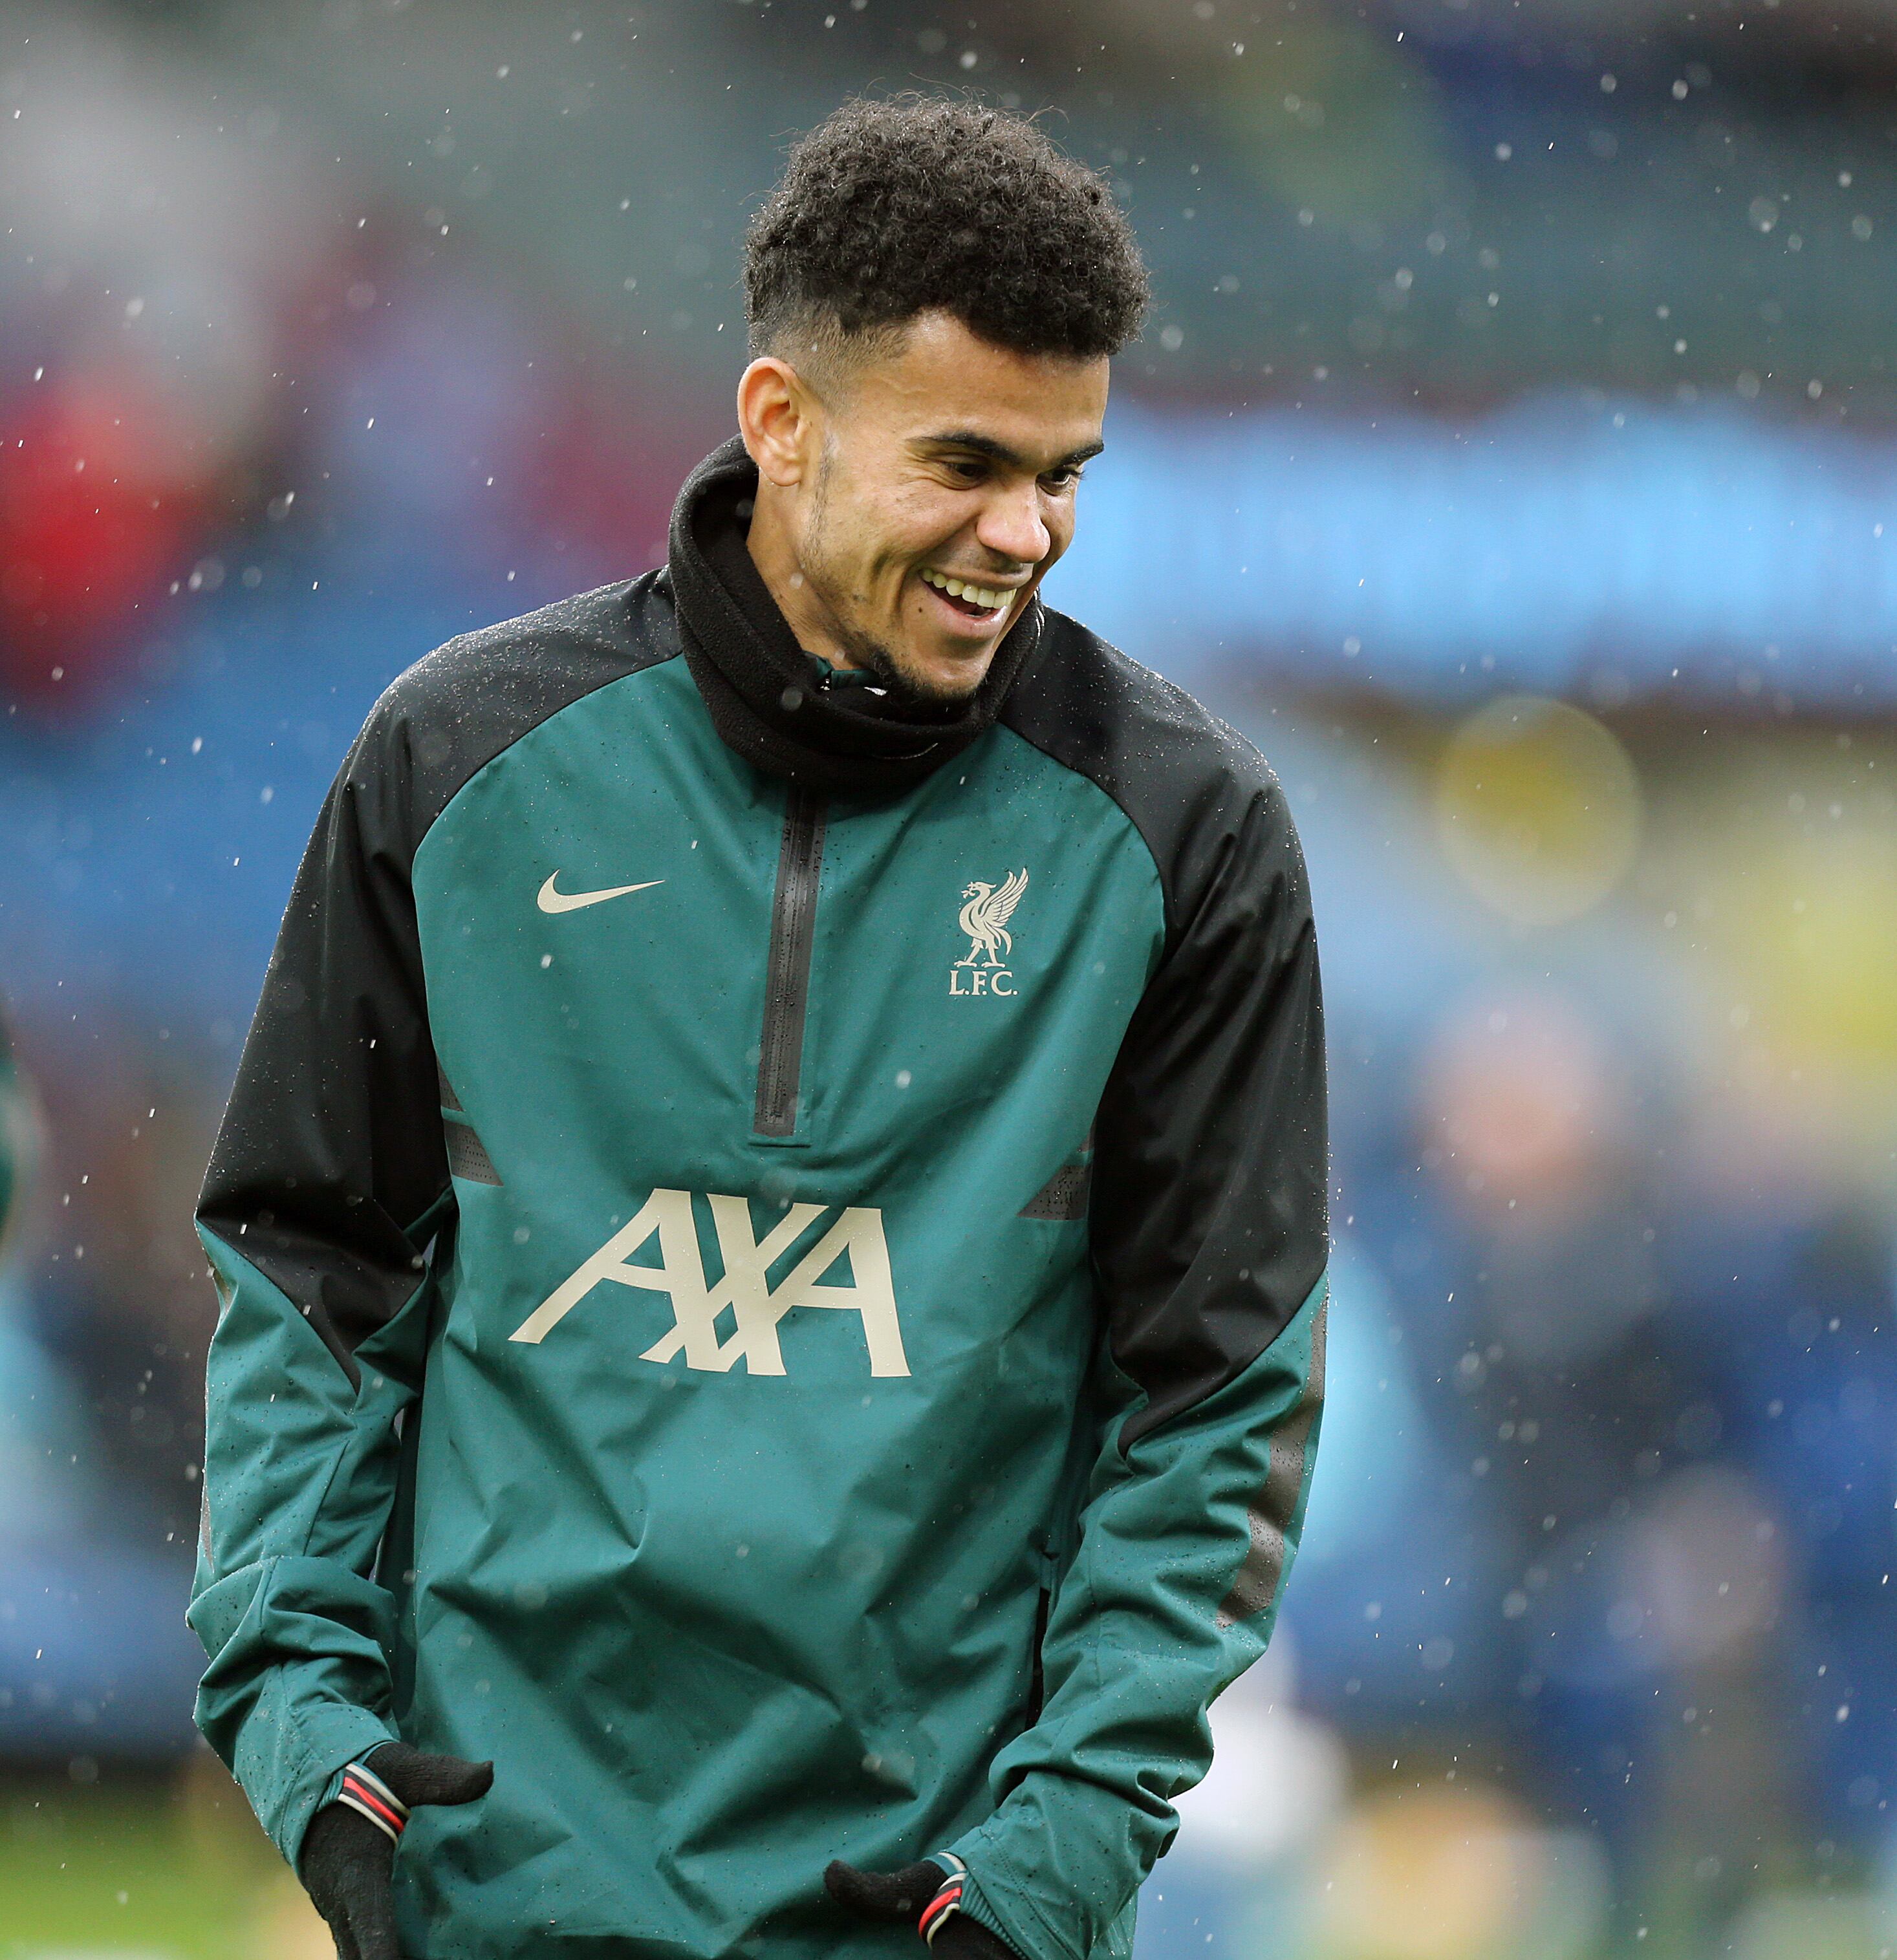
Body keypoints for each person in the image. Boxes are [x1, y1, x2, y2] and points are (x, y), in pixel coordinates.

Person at [190, 98, 1328, 1960]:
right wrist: (310, 1734)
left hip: (936, 1916)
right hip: (498, 1894)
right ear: (782, 421)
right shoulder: (459, 765)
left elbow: (1215, 1399)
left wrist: (1051, 1861)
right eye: (965, 460)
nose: (1023, 531)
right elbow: (311, 1278)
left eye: (1065, 474)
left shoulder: (1187, 837)